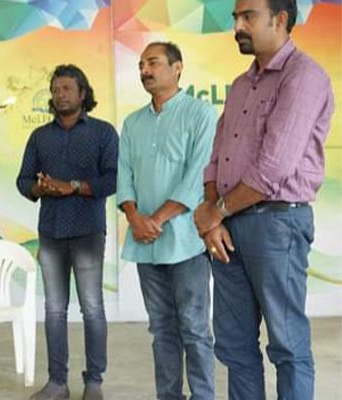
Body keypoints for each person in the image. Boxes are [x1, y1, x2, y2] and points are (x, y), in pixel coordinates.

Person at [194, 1, 334, 399]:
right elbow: (217, 158)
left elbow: (274, 168)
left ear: (280, 19)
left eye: (248, 17)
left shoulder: (304, 77)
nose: (237, 26)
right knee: (234, 347)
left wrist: (215, 213)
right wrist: (213, 215)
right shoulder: (241, 85)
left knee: (287, 345)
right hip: (228, 229)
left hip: (277, 225)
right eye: (235, 18)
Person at [117, 42, 217, 400]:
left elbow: (198, 175)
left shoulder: (201, 113)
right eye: (141, 65)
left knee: (194, 328)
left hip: (186, 242)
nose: (145, 70)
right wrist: (134, 217)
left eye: (153, 63)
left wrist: (156, 219)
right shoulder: (133, 123)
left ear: (177, 68)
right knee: (161, 329)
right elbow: (124, 177)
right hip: (146, 243)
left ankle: (203, 396)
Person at [16, 64, 118, 400]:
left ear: (82, 93)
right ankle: (57, 382)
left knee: (92, 307)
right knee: (54, 310)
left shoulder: (103, 133)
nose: (60, 95)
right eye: (55, 90)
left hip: (88, 231)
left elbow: (113, 179)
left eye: (67, 89)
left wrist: (72, 186)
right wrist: (40, 189)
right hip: (51, 232)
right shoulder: (39, 136)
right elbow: (23, 180)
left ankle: (94, 382)